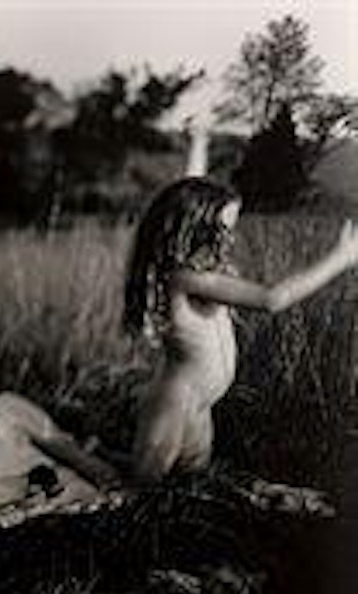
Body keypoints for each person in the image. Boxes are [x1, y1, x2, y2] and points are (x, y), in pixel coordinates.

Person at [124, 176, 358, 480]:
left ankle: (93, 457)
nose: (230, 239)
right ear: (195, 230)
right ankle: (80, 463)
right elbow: (271, 298)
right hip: (175, 403)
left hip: (200, 404)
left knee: (191, 486)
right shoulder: (184, 278)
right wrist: (340, 259)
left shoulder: (203, 274)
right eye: (223, 230)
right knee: (136, 492)